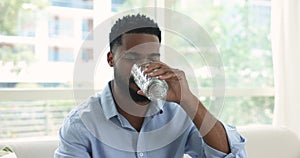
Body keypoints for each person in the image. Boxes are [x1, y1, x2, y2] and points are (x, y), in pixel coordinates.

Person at [54, 14, 246, 158]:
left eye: (153, 58)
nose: (144, 68)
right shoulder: (81, 123)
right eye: (132, 58)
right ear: (111, 59)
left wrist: (187, 99)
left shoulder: (178, 112)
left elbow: (229, 154)